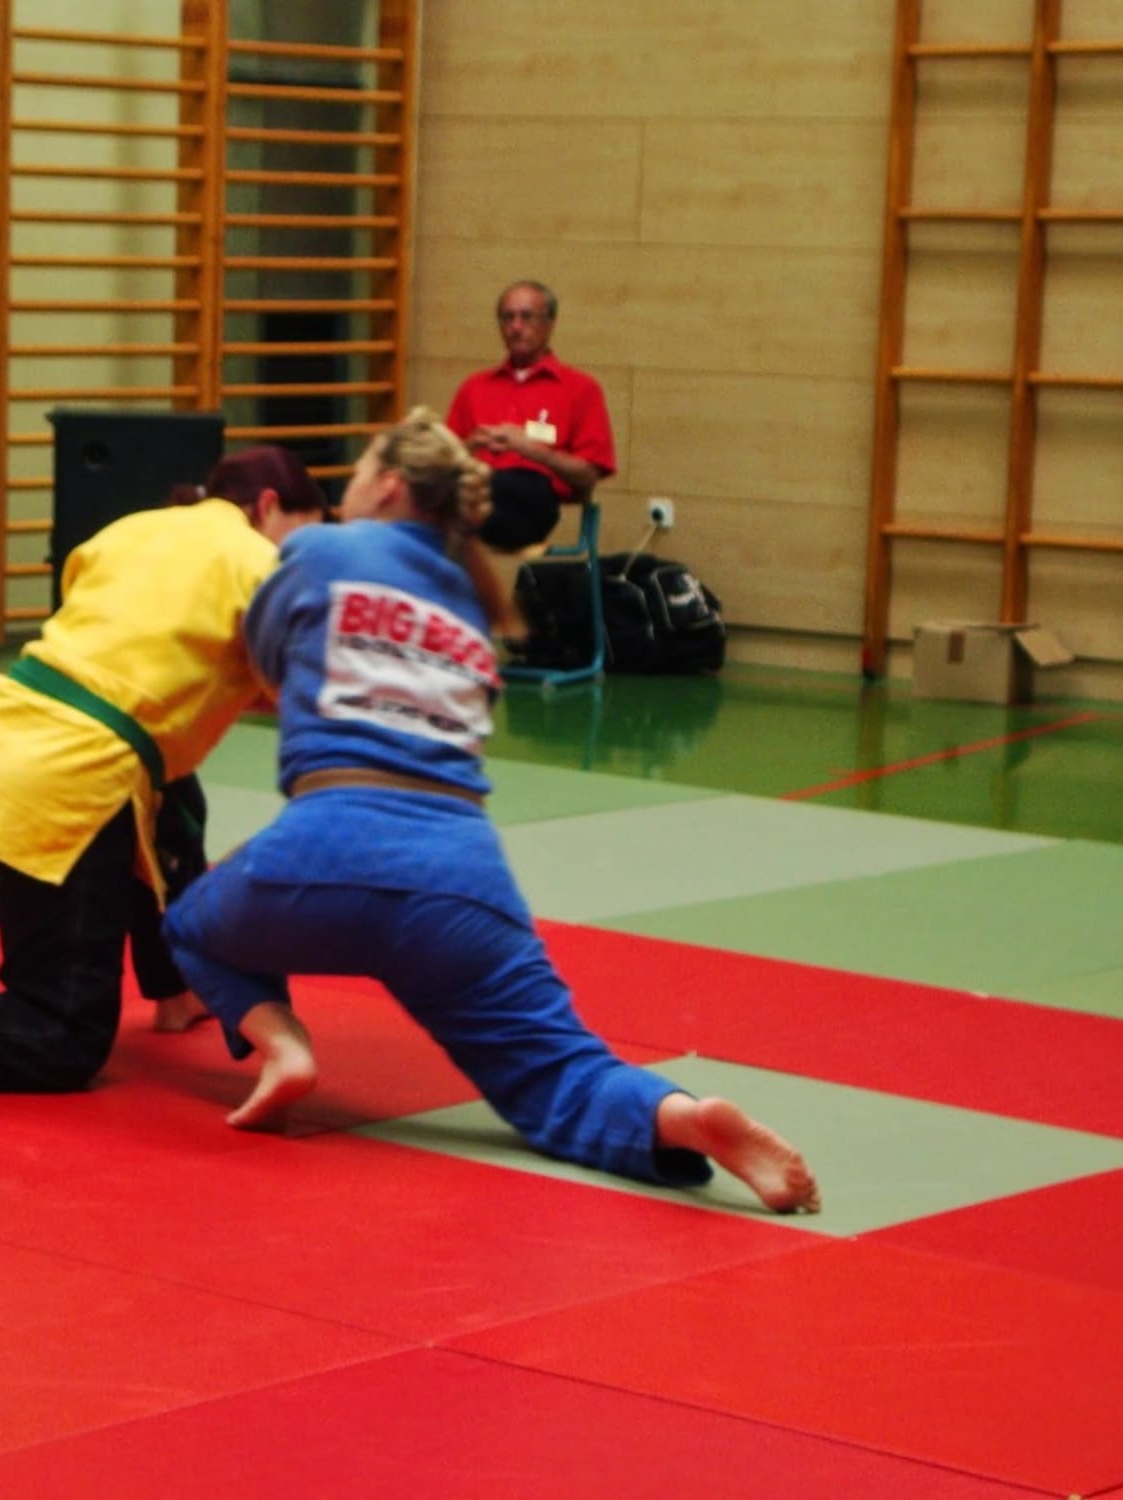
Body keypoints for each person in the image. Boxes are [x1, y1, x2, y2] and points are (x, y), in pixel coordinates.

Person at [161, 409, 820, 1214]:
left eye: (358, 472)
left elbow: (265, 655)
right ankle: (677, 1116)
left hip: (328, 847)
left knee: (189, 924)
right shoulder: (471, 601)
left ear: (389, 485)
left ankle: (283, 1047)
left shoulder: (323, 550)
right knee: (557, 1071)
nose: (345, 491)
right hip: (466, 878)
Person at [0, 447, 327, 1096]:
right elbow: (293, 687)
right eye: (307, 533)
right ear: (268, 506)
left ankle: (175, 991)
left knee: (174, 802)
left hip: (6, 727)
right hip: (68, 771)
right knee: (63, 1033)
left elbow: (111, 637)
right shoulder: (261, 564)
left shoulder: (134, 528)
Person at [445, 279, 616, 553]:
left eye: (526, 317)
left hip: (532, 497)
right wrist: (471, 445)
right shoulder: (474, 387)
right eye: (508, 318)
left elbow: (587, 476)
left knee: (496, 489)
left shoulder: (581, 389)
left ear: (549, 324)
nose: (516, 327)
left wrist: (530, 449)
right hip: (476, 492)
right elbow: (443, 463)